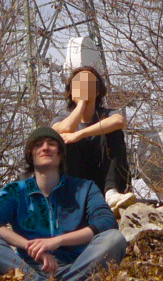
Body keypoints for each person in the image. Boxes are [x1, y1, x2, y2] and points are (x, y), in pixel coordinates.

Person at [0, 126, 128, 281]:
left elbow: (107, 222)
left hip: (76, 267)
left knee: (114, 238)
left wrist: (56, 242)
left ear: (61, 154)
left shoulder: (85, 188)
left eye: (51, 143)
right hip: (27, 269)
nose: (45, 147)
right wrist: (31, 247)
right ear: (31, 156)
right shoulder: (16, 190)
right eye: (38, 145)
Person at [53, 65, 131, 196]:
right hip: (77, 182)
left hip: (106, 179)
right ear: (71, 91)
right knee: (66, 138)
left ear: (97, 91)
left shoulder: (108, 114)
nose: (83, 87)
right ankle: (75, 196)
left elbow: (119, 122)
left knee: (114, 132)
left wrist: (81, 133)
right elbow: (64, 130)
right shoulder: (61, 118)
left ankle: (111, 192)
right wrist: (81, 104)